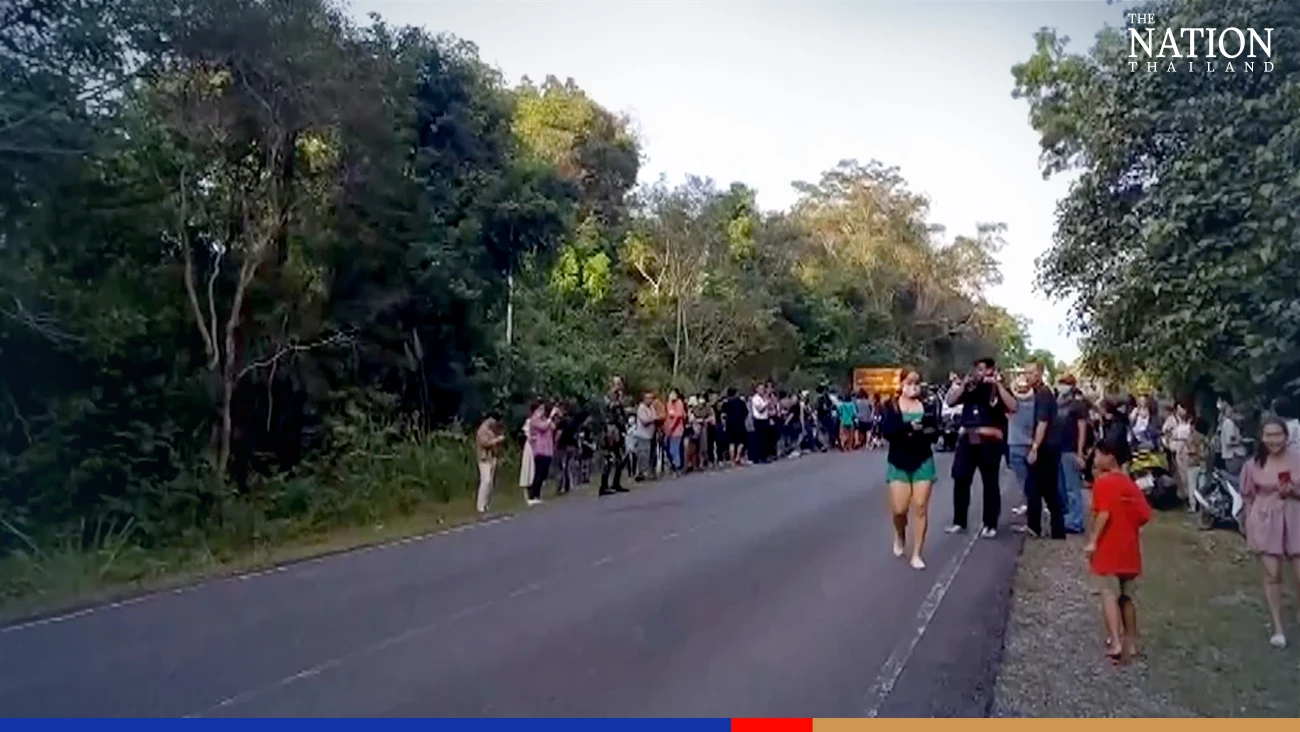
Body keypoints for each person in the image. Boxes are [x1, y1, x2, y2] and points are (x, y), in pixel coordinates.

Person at [1085, 439, 1152, 663]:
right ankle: (1131, 642)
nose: (1094, 459)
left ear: (1109, 456)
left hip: (1108, 547)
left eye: (1097, 455)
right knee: (1127, 596)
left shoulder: (1103, 484)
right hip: (1129, 547)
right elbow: (1144, 515)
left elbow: (1104, 513)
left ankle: (1115, 641)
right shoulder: (1130, 484)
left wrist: (1093, 540)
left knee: (1108, 593)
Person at [1238, 416, 1300, 649]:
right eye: (1269, 435)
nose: (1274, 440)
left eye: (1278, 435)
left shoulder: (1297, 460)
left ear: (1286, 436)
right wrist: (1248, 525)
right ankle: (1278, 628)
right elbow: (1247, 496)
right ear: (1262, 438)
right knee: (1272, 575)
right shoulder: (1253, 465)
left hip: (1295, 518)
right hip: (1264, 520)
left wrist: (1293, 491)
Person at [946, 357, 1016, 538]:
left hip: (989, 441)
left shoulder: (996, 389)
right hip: (967, 439)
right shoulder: (970, 388)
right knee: (961, 479)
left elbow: (1013, 406)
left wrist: (998, 385)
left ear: (991, 371)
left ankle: (990, 523)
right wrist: (964, 385)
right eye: (976, 369)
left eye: (982, 369)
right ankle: (959, 521)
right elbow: (950, 402)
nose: (979, 373)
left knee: (990, 483)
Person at [882, 370, 939, 570]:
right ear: (902, 383)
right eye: (909, 382)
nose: (913, 386)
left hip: (923, 459)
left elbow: (935, 432)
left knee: (920, 507)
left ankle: (917, 553)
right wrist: (907, 428)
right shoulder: (891, 406)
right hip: (899, 460)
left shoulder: (929, 405)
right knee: (899, 510)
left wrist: (922, 430)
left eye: (917, 382)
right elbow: (887, 432)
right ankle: (900, 534)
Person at [1017, 361, 1066, 539]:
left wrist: (1035, 448)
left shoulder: (1044, 394)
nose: (1027, 376)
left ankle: (1054, 529)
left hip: (1046, 448)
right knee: (1037, 488)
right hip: (1046, 446)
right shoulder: (1038, 393)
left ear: (1039, 374)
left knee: (1046, 489)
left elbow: (1042, 423)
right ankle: (1036, 526)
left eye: (1030, 373)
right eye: (1025, 372)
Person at [1055, 374, 1090, 534]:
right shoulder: (1058, 403)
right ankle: (1068, 517)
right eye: (1061, 383)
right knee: (1062, 487)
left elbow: (1082, 429)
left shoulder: (1077, 405)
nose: (1062, 386)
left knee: (1072, 487)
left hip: (1071, 449)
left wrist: (1080, 452)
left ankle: (1076, 521)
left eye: (1065, 383)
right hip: (1058, 449)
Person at [1006, 375, 1037, 518]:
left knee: (1022, 479)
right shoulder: (1035, 404)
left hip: (1016, 444)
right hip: (1032, 444)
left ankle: (1028, 506)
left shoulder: (1012, 405)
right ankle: (1032, 506)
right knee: (1032, 478)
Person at [597, 377, 631, 496]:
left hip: (619, 429)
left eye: (620, 383)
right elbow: (608, 409)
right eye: (617, 384)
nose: (619, 386)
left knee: (620, 457)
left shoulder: (619, 397)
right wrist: (618, 402)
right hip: (610, 430)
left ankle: (616, 483)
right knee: (609, 458)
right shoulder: (608, 397)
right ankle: (604, 485)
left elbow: (622, 413)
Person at [525, 402, 557, 506]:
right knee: (538, 472)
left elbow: (553, 427)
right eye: (540, 409)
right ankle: (532, 495)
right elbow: (543, 427)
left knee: (544, 473)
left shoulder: (544, 419)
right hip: (539, 449)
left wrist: (551, 418)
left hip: (548, 449)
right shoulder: (534, 420)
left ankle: (537, 495)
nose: (542, 411)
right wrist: (550, 417)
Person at [474, 413, 506, 513]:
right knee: (486, 481)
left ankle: (486, 504)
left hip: (491, 457)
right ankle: (480, 505)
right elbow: (485, 443)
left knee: (490, 482)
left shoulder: (491, 430)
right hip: (484, 459)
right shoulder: (482, 430)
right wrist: (497, 440)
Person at [1218, 397, 1249, 476]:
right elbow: (1230, 441)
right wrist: (1241, 441)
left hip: (1230, 456)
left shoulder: (1225, 423)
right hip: (1234, 456)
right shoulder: (1229, 423)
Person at [722, 387, 748, 466]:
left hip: (729, 423)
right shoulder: (741, 402)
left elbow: (723, 412)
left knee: (731, 442)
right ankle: (737, 457)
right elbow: (746, 412)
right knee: (741, 441)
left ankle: (732, 460)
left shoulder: (726, 403)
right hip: (739, 423)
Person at [634, 392, 657, 481]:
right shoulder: (641, 408)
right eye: (648, 398)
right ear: (644, 399)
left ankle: (647, 472)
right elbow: (645, 421)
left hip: (650, 435)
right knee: (642, 454)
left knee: (648, 454)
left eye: (651, 398)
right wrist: (652, 419)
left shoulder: (651, 408)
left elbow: (654, 417)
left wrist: (652, 419)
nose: (650, 400)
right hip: (642, 435)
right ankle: (640, 473)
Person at [664, 389, 687, 475]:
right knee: (670, 449)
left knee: (675, 448)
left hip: (677, 430)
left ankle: (677, 467)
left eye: (674, 393)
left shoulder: (679, 403)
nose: (672, 395)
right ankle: (674, 465)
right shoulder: (669, 403)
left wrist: (672, 427)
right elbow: (668, 416)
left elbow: (678, 417)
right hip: (669, 430)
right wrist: (667, 429)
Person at [750, 384, 773, 463]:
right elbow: (760, 409)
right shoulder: (755, 399)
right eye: (760, 389)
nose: (762, 390)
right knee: (760, 439)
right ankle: (760, 456)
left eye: (763, 389)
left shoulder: (763, 398)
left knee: (765, 439)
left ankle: (765, 455)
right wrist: (766, 403)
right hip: (759, 420)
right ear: (756, 390)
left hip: (765, 419)